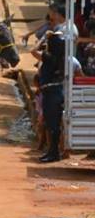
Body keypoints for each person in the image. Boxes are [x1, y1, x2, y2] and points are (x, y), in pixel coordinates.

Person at [33, 31, 66, 163]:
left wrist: (43, 38)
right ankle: (52, 151)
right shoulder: (59, 57)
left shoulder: (49, 57)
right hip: (54, 91)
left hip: (51, 93)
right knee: (52, 125)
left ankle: (54, 153)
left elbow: (33, 50)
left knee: (52, 125)